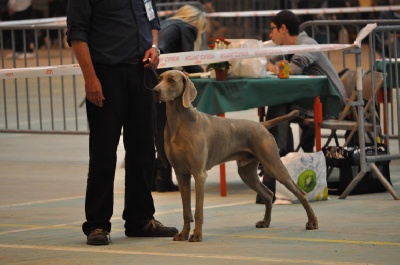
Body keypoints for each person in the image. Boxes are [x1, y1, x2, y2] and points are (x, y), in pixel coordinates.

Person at [66, 0, 178, 245]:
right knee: (103, 153)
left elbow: (152, 22)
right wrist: (90, 79)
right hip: (106, 75)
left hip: (141, 74)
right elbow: (77, 35)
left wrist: (154, 46)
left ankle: (141, 220)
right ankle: (97, 225)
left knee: (145, 151)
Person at [257, 10, 347, 204]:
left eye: (272, 29)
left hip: (329, 102)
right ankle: (276, 161)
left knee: (278, 105)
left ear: (283, 28)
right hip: (307, 99)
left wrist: (275, 64)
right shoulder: (285, 47)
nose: (270, 34)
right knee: (279, 105)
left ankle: (273, 163)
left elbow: (293, 69)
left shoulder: (308, 45)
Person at [153, 4, 207, 192]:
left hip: (150, 75)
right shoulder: (187, 28)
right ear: (197, 22)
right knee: (164, 128)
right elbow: (188, 59)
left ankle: (157, 177)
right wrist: (205, 72)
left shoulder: (168, 24)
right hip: (159, 77)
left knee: (156, 129)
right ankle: (163, 178)